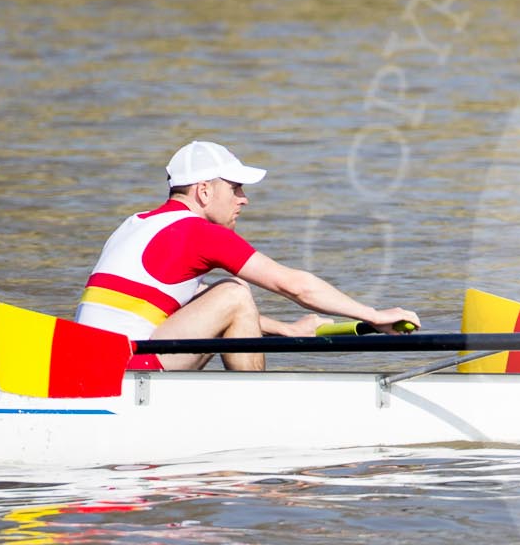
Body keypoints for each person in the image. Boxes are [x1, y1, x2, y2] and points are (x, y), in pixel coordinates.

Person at [77, 141, 419, 372]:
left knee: (221, 294)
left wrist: (284, 330)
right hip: (125, 372)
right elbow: (294, 286)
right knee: (234, 292)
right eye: (235, 188)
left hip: (91, 367)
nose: (243, 199)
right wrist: (373, 315)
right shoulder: (200, 233)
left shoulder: (135, 224)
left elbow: (185, 302)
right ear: (205, 191)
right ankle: (253, 406)